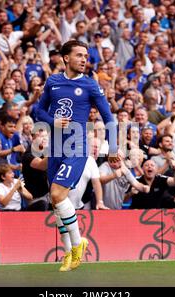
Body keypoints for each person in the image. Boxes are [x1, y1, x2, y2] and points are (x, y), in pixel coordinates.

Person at [35, 40, 119, 272]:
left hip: (77, 147)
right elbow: (38, 111)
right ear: (65, 58)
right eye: (79, 55)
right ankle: (68, 253)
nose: (84, 59)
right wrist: (53, 122)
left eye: (85, 56)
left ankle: (79, 242)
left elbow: (109, 118)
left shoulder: (91, 85)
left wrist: (112, 149)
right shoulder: (53, 82)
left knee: (56, 194)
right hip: (55, 148)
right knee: (56, 202)